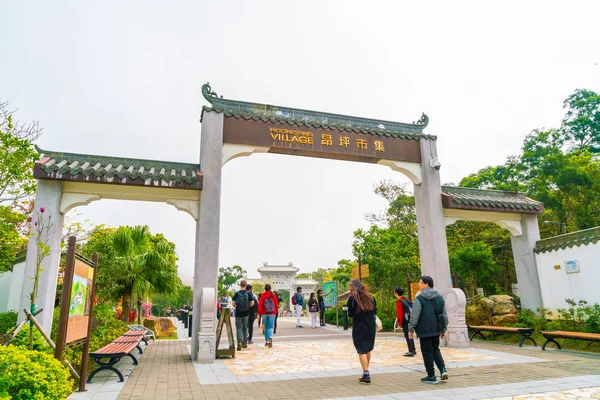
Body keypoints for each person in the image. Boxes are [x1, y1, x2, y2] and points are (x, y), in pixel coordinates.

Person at [408, 275, 449, 385]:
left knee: (427, 352)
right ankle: (443, 370)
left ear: (426, 284)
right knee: (436, 350)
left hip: (424, 330)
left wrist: (410, 329)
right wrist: (443, 329)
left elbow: (415, 316)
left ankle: (431, 376)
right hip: (436, 329)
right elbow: (444, 315)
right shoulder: (439, 298)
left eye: (420, 282)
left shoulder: (420, 298)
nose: (419, 284)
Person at [346, 279, 377, 384]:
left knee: (361, 350)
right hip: (370, 326)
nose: (349, 290)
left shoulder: (352, 299)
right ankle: (366, 371)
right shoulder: (371, 297)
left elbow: (350, 314)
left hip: (359, 326)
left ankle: (366, 373)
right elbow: (375, 310)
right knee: (368, 348)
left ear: (354, 287)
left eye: (350, 287)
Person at [232, 280, 254, 351]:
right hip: (246, 313)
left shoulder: (237, 293)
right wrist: (248, 306)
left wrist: (236, 306)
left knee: (239, 327)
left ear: (240, 285)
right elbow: (252, 303)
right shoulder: (249, 294)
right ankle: (244, 342)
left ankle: (239, 342)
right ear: (246, 285)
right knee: (245, 328)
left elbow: (233, 303)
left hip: (238, 313)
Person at [394, 287, 416, 357]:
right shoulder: (406, 299)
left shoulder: (399, 302)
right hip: (410, 319)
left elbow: (400, 314)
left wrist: (399, 324)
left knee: (407, 335)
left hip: (405, 321)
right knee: (410, 334)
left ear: (396, 293)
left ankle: (410, 351)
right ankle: (413, 349)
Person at [258, 284, 279, 348]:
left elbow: (260, 305)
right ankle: (270, 337)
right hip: (272, 313)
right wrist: (275, 312)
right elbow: (276, 304)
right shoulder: (273, 295)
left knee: (266, 327)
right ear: (270, 288)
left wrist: (259, 313)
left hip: (264, 313)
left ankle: (266, 341)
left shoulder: (263, 295)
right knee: (270, 327)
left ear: (265, 289)